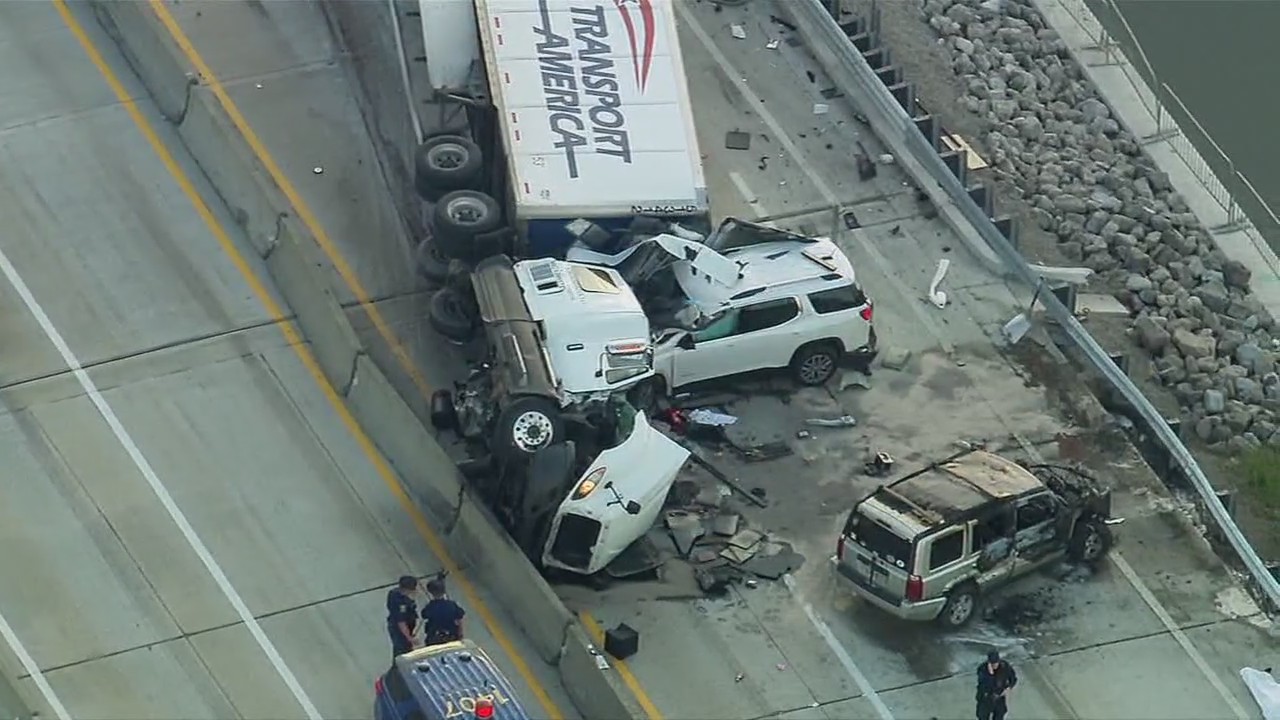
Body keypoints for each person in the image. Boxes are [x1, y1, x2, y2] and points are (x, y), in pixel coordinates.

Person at [420, 577, 466, 647]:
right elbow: (460, 619)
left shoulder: (430, 607)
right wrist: (460, 634)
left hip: (434, 637)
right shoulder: (452, 605)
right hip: (451, 636)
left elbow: (424, 615)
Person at [976, 650, 1018, 720]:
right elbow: (986, 685)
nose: (994, 665)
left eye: (996, 663)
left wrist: (1009, 687)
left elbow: (1013, 678)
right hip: (986, 698)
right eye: (992, 663)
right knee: (983, 717)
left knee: (999, 716)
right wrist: (991, 674)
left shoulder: (1004, 666)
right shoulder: (982, 670)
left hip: (999, 697)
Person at [386, 575, 419, 659]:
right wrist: (409, 638)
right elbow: (401, 622)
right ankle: (396, 671)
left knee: (401, 651)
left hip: (400, 628)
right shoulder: (401, 603)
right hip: (399, 631)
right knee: (402, 653)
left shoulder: (393, 593)